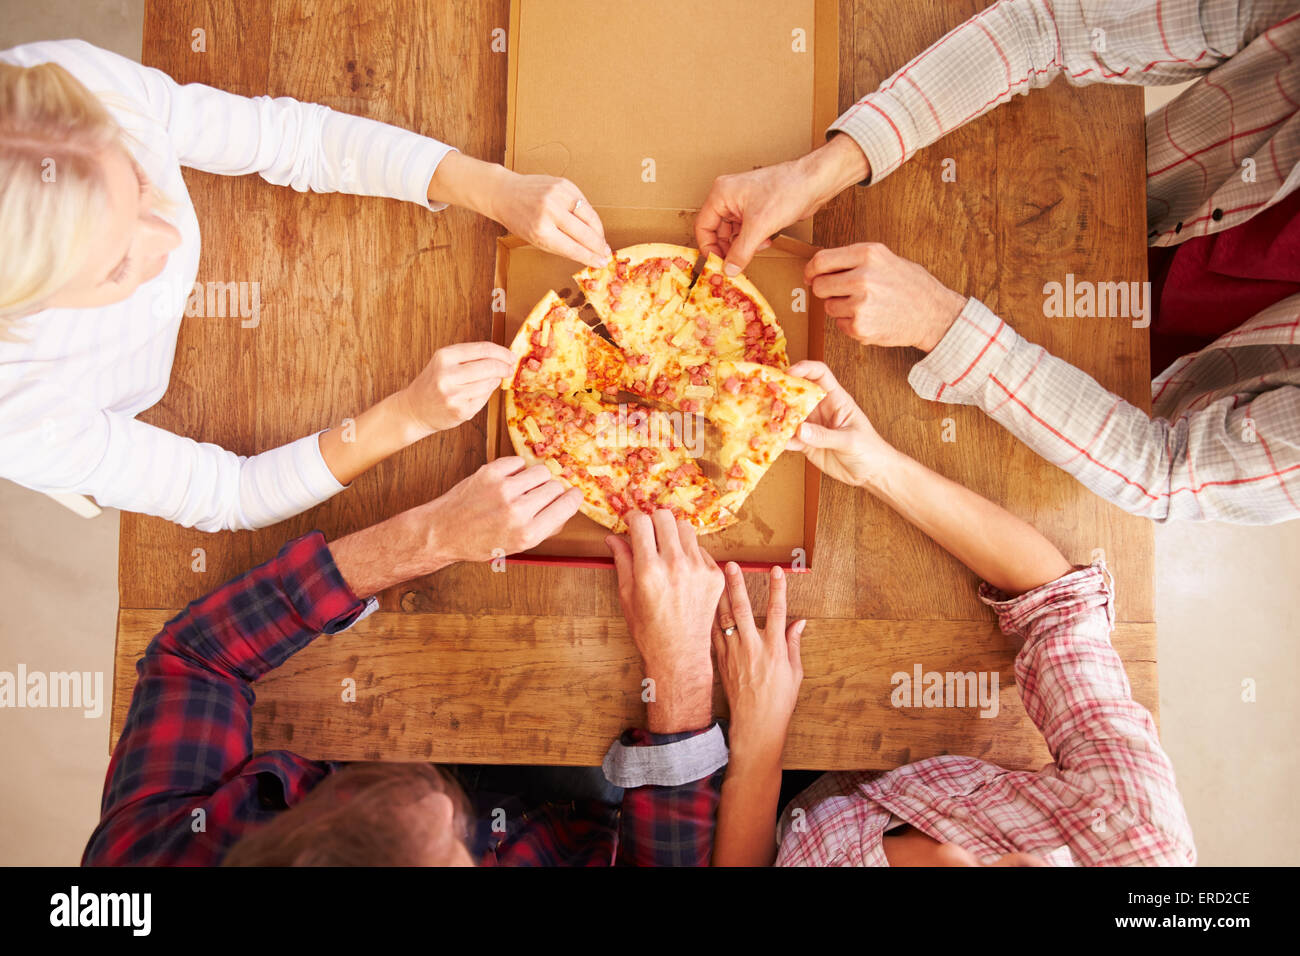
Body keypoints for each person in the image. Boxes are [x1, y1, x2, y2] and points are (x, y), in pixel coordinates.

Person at [695, 0, 1300, 524]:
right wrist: (818, 173)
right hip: (1084, 208)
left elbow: (1162, 472)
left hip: (1100, 415)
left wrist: (940, 322)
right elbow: (1046, 25)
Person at [0, 39, 611, 531]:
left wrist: (494, 188)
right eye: (117, 266)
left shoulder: (64, 95)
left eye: (137, 182)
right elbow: (229, 494)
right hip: (146, 398)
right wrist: (408, 415)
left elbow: (293, 139)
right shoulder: (19, 414)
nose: (167, 237)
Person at [82, 465, 740, 866]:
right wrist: (679, 671)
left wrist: (427, 538)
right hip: (587, 816)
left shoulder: (151, 860)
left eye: (374, 810)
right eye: (454, 849)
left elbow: (194, 660)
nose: (436, 800)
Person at [708, 361, 1196, 866]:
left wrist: (759, 740)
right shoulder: (1135, 836)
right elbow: (1058, 604)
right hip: (884, 768)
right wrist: (878, 468)